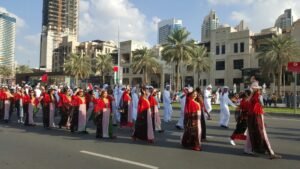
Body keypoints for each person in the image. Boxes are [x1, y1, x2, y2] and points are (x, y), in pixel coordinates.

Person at [245, 81, 281, 159]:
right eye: (256, 88)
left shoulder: (255, 95)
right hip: (255, 116)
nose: (258, 90)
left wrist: (260, 108)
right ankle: (269, 152)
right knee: (260, 132)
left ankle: (253, 149)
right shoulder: (255, 95)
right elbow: (253, 104)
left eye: (257, 88)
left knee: (253, 132)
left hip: (254, 116)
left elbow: (254, 104)